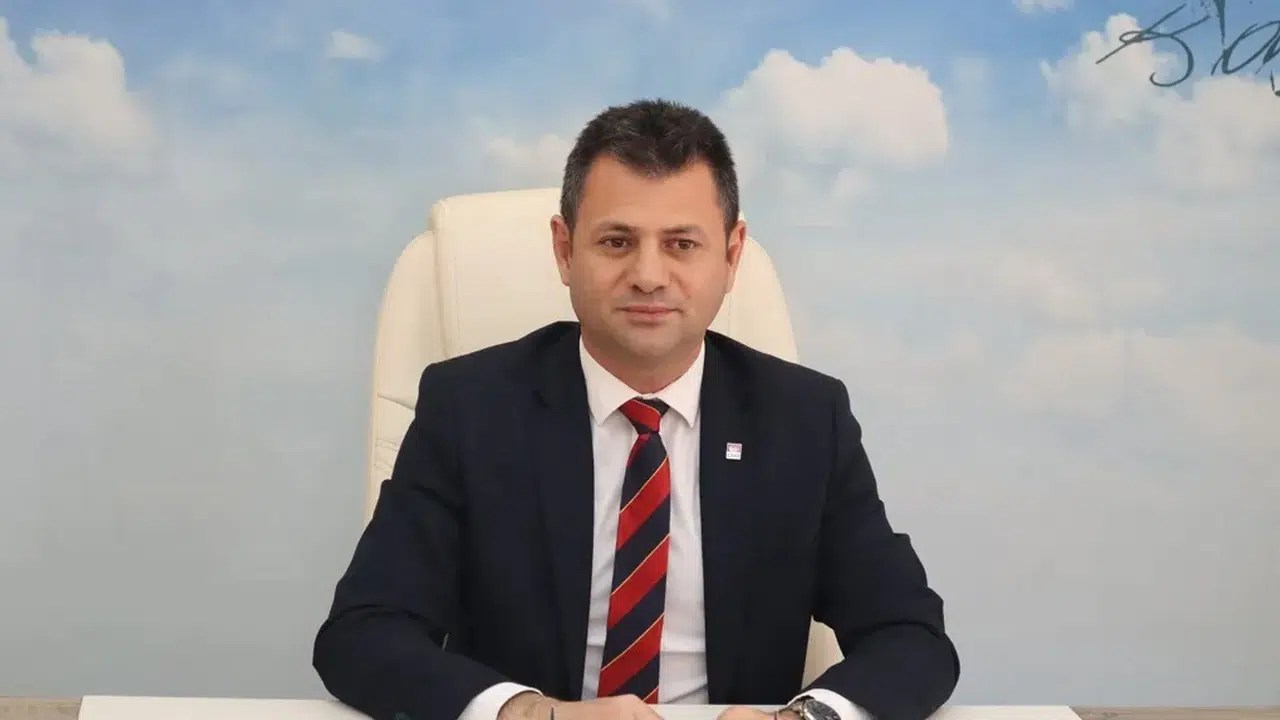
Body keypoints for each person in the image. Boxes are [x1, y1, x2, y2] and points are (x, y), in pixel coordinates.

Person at [313, 98, 959, 720]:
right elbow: (363, 633)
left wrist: (807, 719)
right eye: (618, 242)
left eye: (681, 244)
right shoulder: (469, 409)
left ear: (731, 255)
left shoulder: (806, 421)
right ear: (564, 250)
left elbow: (911, 636)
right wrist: (529, 713)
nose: (649, 275)